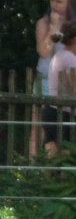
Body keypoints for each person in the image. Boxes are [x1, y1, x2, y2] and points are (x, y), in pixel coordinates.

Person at [43, 20, 76, 157]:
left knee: (51, 158)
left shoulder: (59, 56)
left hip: (51, 111)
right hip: (64, 114)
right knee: (66, 157)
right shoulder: (70, 59)